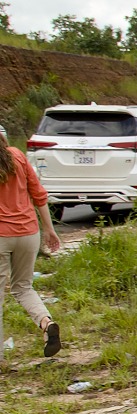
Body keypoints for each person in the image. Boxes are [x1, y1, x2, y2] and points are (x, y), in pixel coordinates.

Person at [0, 125, 63, 361]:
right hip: (29, 234)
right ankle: (47, 324)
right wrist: (49, 229)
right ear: (5, 139)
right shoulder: (18, 156)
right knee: (23, 287)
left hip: (1, 236)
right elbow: (39, 195)